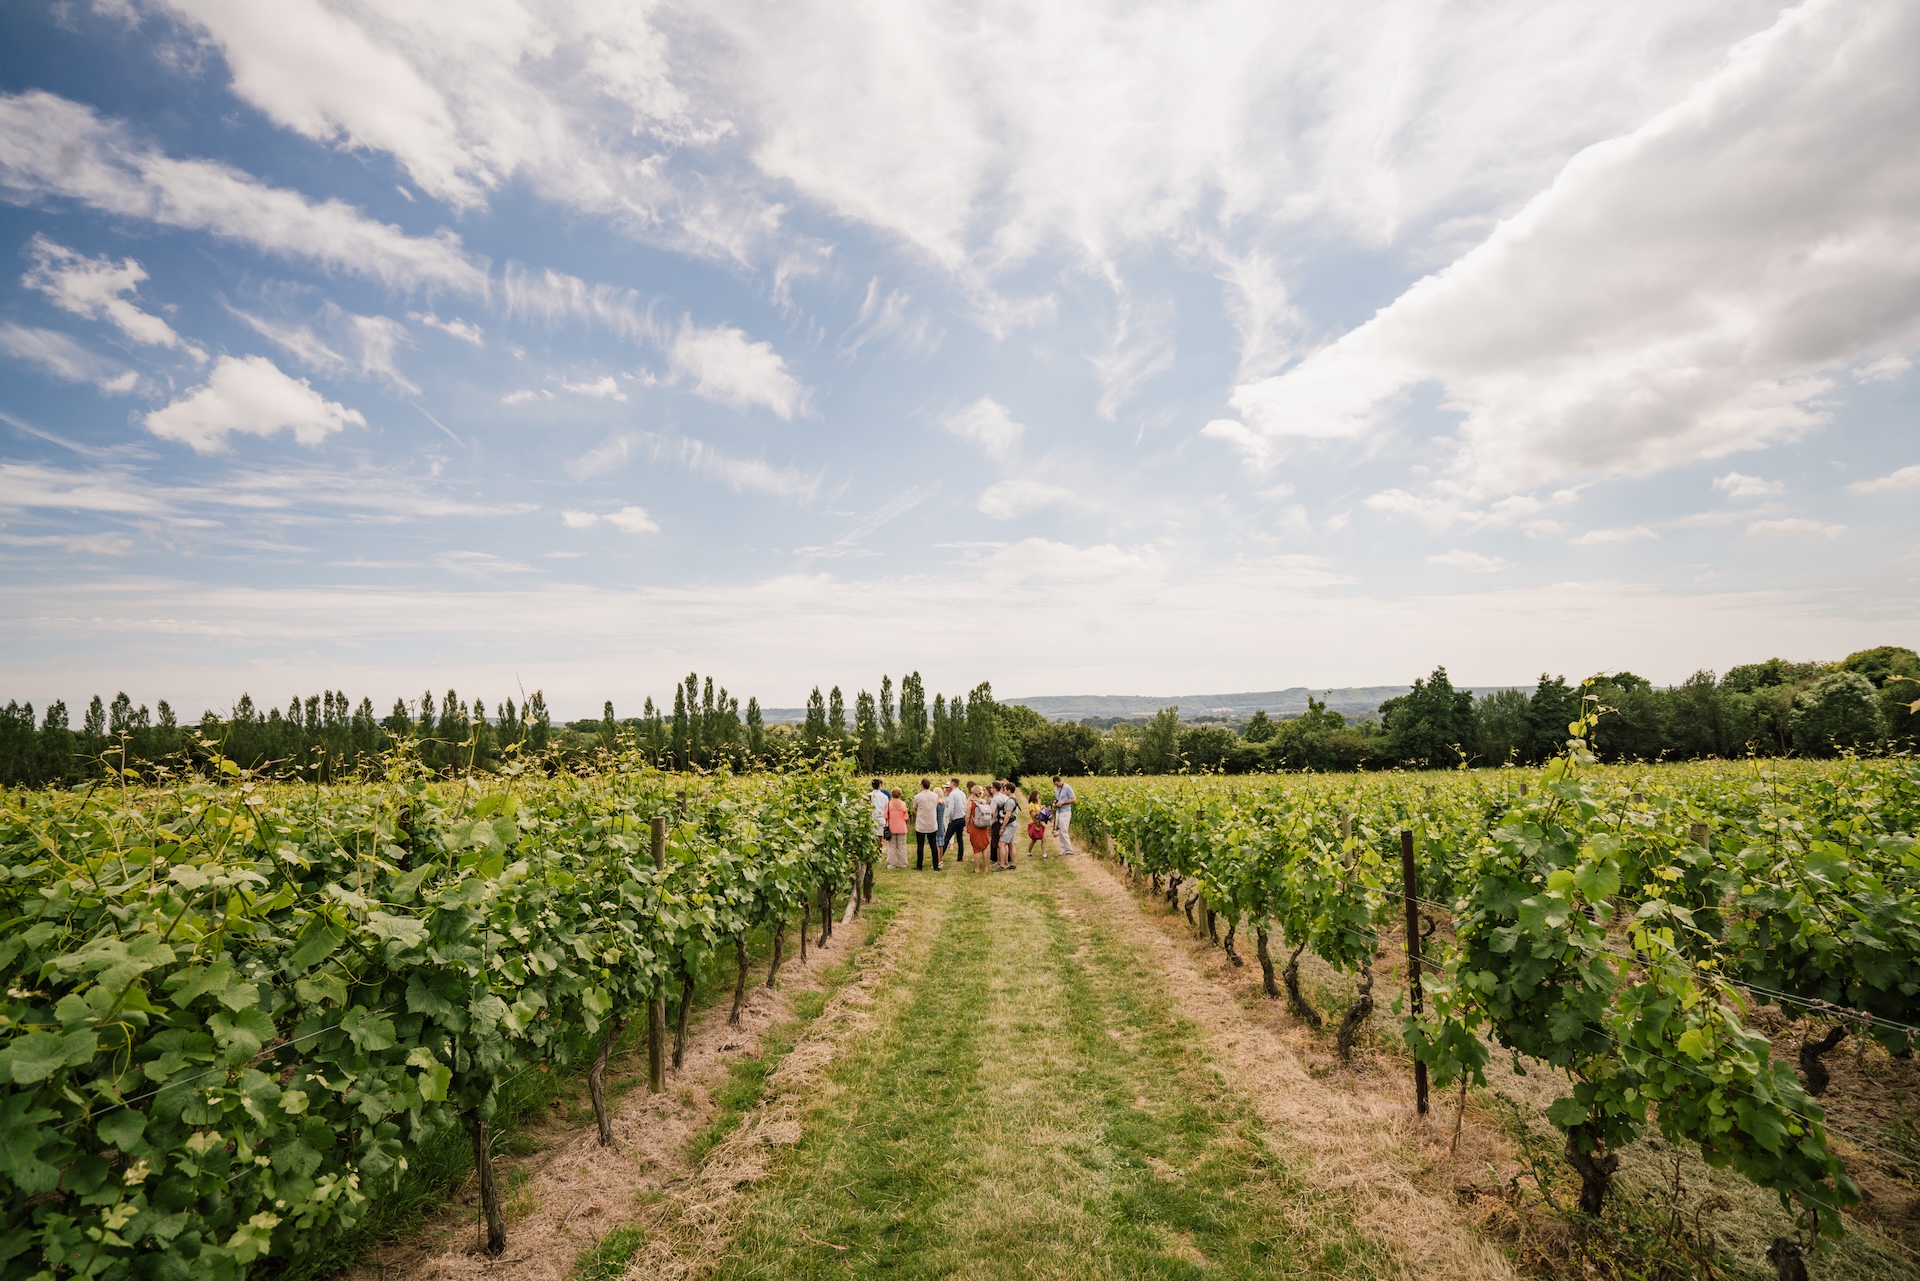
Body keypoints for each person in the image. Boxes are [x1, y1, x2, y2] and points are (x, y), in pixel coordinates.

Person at [912, 777, 942, 871]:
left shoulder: (917, 797)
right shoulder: (935, 796)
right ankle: (935, 865)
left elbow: (915, 808)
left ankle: (919, 865)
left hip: (921, 824)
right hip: (932, 823)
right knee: (933, 845)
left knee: (920, 845)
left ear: (922, 785)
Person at [993, 780, 1021, 870]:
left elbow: (1008, 815)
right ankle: (1013, 864)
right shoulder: (1014, 799)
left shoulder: (1009, 801)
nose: (1004, 791)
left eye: (1005, 789)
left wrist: (1002, 827)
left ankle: (1001, 865)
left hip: (1009, 825)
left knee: (1001, 844)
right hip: (1014, 824)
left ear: (1009, 790)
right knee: (1011, 844)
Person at [942, 777, 969, 866]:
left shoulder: (953, 794)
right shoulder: (962, 793)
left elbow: (951, 808)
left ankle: (940, 856)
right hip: (962, 817)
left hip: (955, 819)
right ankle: (960, 856)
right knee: (960, 838)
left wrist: (950, 818)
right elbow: (965, 806)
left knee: (947, 838)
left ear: (952, 784)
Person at [967, 783, 993, 873]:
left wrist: (967, 826)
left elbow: (967, 816)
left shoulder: (971, 803)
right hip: (984, 827)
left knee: (976, 848)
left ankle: (977, 868)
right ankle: (986, 868)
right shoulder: (984, 802)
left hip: (975, 826)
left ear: (972, 793)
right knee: (985, 847)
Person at [885, 787, 911, 869]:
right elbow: (906, 817)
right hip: (901, 827)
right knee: (902, 846)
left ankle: (891, 864)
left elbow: (885, 815)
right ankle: (903, 863)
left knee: (892, 846)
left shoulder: (888, 804)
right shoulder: (903, 804)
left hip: (891, 827)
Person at [1050, 775, 1076, 855]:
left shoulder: (1067, 788)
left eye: (1057, 784)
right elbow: (1056, 798)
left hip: (1065, 811)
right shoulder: (1056, 789)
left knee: (1064, 830)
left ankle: (1069, 850)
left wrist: (1063, 803)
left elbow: (1073, 799)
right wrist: (1055, 803)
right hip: (1058, 811)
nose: (1056, 786)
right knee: (1059, 831)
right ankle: (1063, 850)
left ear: (1059, 781)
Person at [1026, 788, 1049, 859]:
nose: (1039, 797)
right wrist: (1041, 810)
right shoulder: (1031, 805)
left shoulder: (1036, 804)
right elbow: (1034, 815)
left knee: (1042, 839)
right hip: (1035, 824)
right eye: (1038, 795)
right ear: (1035, 796)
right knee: (1034, 840)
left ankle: (1043, 854)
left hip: (1039, 824)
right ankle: (1030, 853)